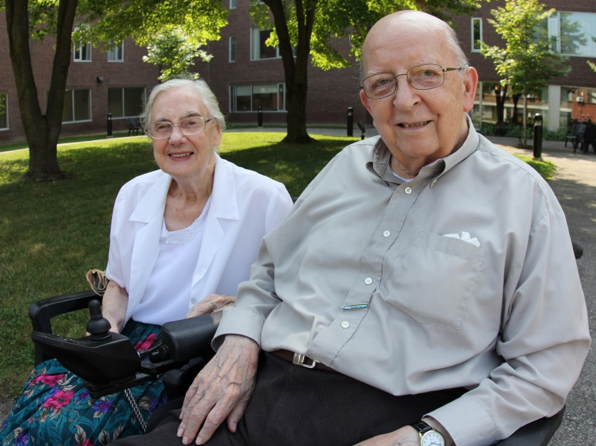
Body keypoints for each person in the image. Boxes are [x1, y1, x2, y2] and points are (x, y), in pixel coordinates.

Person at [111, 11, 591, 446]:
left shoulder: (522, 199)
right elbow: (267, 275)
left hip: (386, 423)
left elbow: (545, 366)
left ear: (466, 87)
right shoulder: (343, 167)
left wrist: (428, 438)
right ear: (367, 101)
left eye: (426, 74)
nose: (405, 100)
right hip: (257, 399)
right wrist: (240, 340)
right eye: (383, 84)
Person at [0, 78, 293, 446]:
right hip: (130, 344)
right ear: (150, 136)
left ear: (216, 131)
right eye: (162, 126)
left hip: (200, 349)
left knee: (71, 432)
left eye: (190, 123)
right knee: (35, 406)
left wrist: (234, 305)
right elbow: (119, 283)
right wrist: (108, 328)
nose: (176, 138)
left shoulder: (264, 198)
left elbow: (292, 292)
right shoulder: (134, 193)